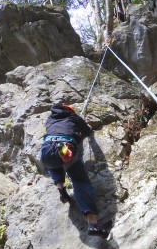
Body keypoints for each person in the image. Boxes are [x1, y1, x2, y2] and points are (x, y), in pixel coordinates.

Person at [40, 102, 109, 239]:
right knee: (80, 181)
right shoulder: (73, 117)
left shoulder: (50, 120)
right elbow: (87, 130)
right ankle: (93, 224)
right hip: (65, 146)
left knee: (54, 164)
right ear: (70, 110)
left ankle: (61, 188)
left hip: (46, 149)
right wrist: (86, 129)